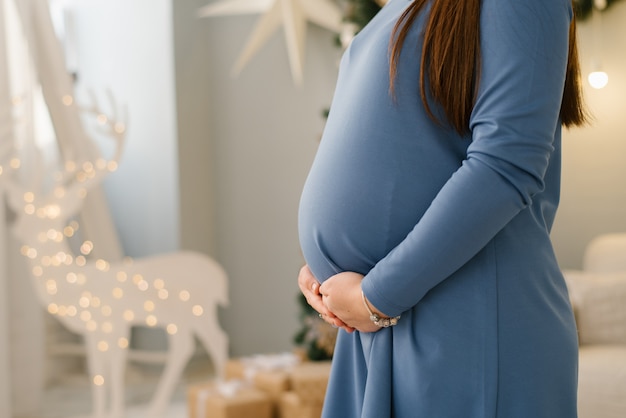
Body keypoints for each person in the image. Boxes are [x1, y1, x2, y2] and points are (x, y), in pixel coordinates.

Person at [297, 0, 588, 416]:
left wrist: (376, 297)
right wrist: (324, 270)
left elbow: (507, 163)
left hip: (464, 327)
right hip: (381, 322)